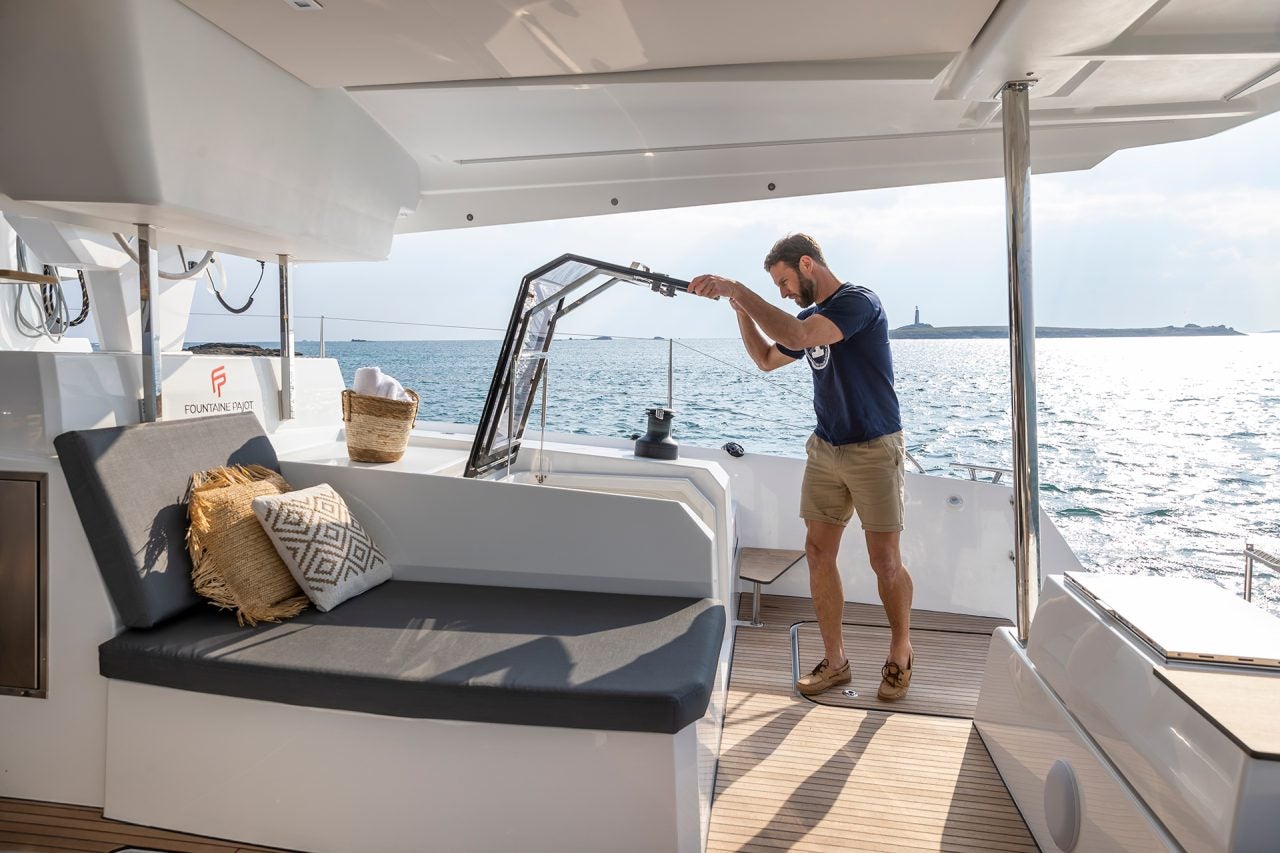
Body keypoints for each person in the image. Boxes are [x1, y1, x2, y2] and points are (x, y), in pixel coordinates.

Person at [689, 233, 914, 701]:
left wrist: (736, 290)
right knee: (817, 552)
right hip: (826, 448)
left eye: (784, 281)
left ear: (807, 264)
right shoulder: (810, 317)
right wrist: (743, 313)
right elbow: (768, 359)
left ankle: (900, 651)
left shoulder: (858, 302)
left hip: (874, 449)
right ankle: (836, 663)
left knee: (884, 561)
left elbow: (794, 336)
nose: (784, 293)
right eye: (776, 287)